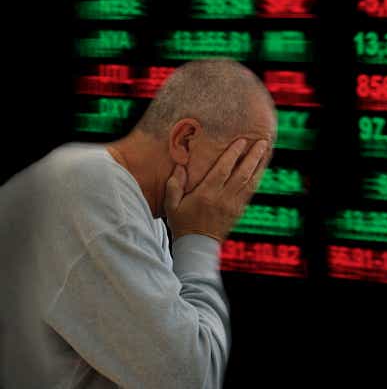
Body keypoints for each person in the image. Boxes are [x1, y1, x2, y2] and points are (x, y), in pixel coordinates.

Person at [0, 59, 276, 388]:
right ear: (185, 140)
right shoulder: (95, 194)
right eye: (242, 164)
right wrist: (201, 238)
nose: (243, 190)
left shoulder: (130, 205)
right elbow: (190, 379)